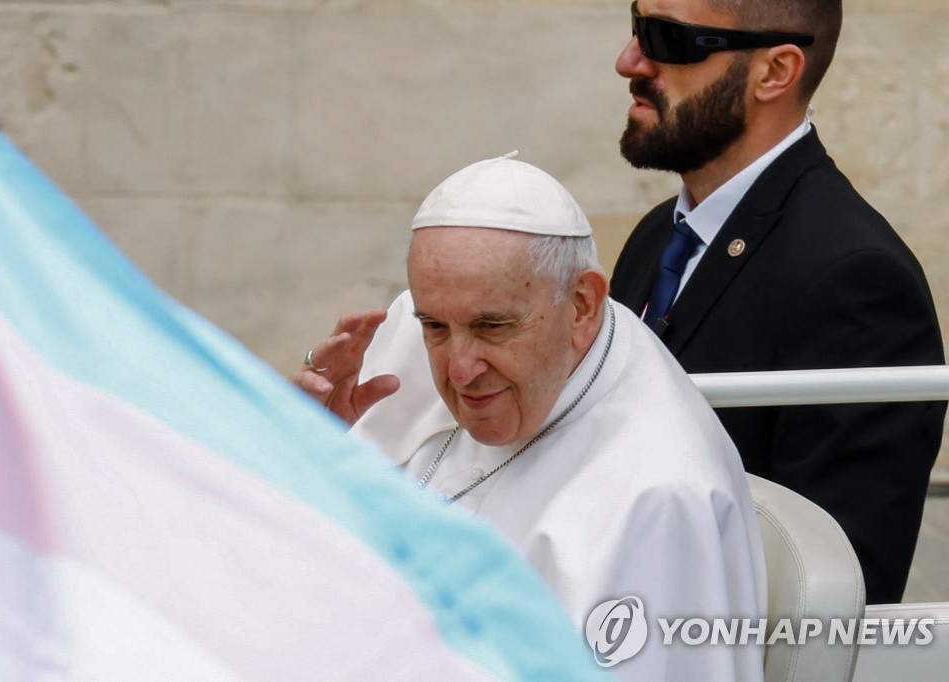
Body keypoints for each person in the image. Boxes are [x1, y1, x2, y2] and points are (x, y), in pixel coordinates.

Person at [293, 154, 766, 681]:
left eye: (492, 327)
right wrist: (306, 450)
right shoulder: (429, 318)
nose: (459, 369)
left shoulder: (661, 499)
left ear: (582, 306)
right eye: (435, 327)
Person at [609, 0, 946, 604]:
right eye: (636, 27)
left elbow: (827, 602)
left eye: (666, 38)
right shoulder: (659, 234)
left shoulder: (857, 279)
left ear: (775, 71)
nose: (629, 60)